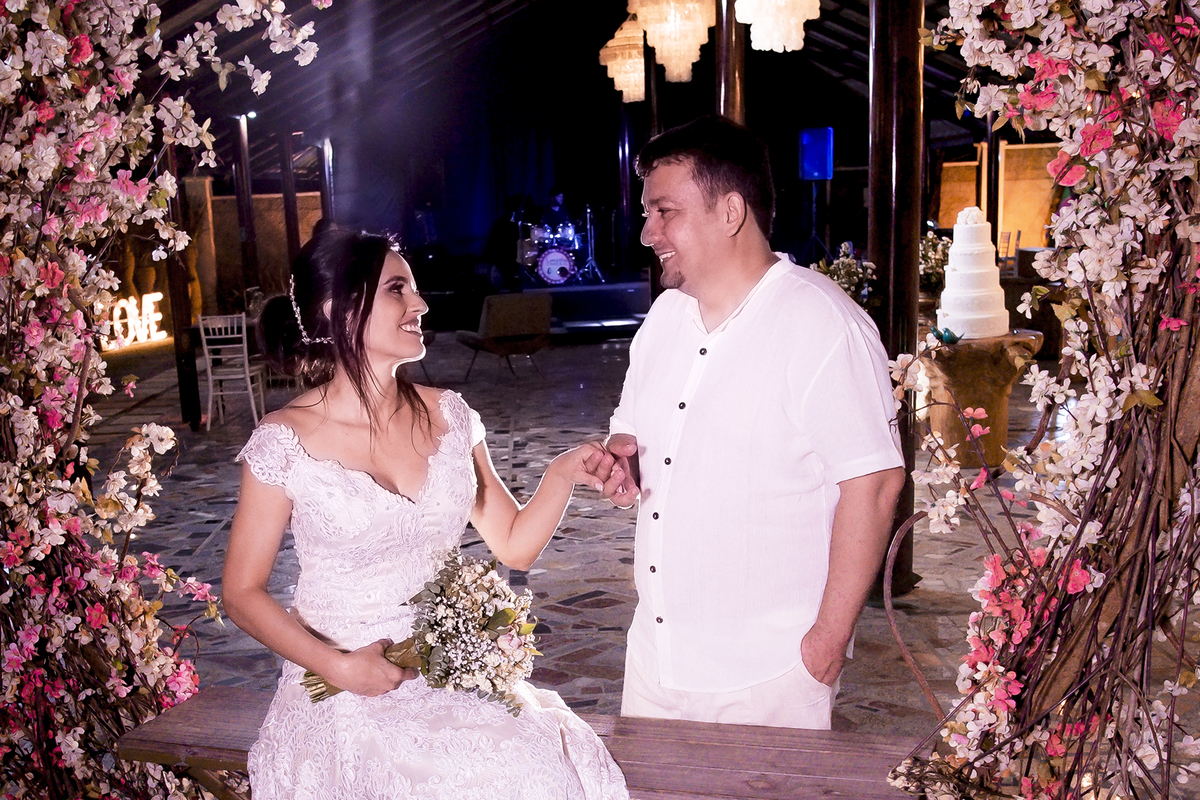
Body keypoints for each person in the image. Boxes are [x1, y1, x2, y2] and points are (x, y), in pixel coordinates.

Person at [222, 228, 630, 799]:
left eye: (413, 289)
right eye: (397, 289)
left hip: (447, 673)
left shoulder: (450, 416)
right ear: (338, 310)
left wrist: (560, 474)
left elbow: (514, 544)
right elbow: (242, 592)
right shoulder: (284, 441)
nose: (420, 304)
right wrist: (337, 666)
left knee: (538, 771)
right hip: (344, 688)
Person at [596, 116, 906, 730]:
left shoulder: (820, 322)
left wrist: (825, 644)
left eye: (664, 212)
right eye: (648, 213)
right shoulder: (662, 319)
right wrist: (620, 463)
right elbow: (630, 436)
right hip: (657, 659)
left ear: (731, 211)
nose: (647, 232)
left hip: (770, 671)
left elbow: (873, 483)